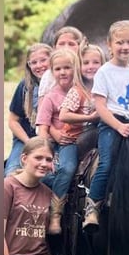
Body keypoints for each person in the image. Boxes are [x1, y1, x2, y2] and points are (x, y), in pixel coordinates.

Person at [83, 20, 129, 230]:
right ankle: (92, 207)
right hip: (111, 124)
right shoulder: (104, 72)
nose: (125, 47)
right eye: (119, 42)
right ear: (109, 45)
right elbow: (100, 106)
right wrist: (118, 126)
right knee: (107, 162)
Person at [35, 48, 81, 234]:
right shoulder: (51, 97)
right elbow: (43, 130)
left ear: (75, 68)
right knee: (65, 169)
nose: (63, 72)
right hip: (58, 144)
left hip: (80, 141)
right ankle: (56, 213)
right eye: (58, 69)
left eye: (68, 68)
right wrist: (48, 154)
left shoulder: (82, 93)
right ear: (52, 72)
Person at [4, 43, 52, 176]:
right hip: (26, 139)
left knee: (48, 176)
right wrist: (29, 143)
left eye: (43, 60)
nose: (39, 65)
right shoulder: (25, 86)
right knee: (12, 173)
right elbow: (13, 121)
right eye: (33, 62)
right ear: (29, 66)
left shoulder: (59, 84)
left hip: (51, 140)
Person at [37, 26, 86, 105]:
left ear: (80, 47)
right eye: (61, 44)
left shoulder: (86, 72)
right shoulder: (49, 75)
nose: (66, 47)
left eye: (71, 44)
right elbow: (42, 108)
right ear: (54, 48)